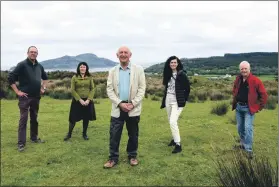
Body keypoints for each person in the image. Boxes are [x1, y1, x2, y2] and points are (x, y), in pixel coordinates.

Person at [103, 46, 146, 168]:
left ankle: (132, 156)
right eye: (120, 52)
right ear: (117, 55)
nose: (123, 54)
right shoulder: (112, 71)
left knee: (133, 134)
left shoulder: (139, 69)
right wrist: (120, 103)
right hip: (118, 107)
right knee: (114, 135)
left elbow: (142, 89)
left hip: (133, 108)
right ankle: (113, 158)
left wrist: (133, 103)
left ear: (130, 55)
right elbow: (110, 90)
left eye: (125, 52)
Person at [8, 46, 48, 152]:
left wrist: (43, 88)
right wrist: (17, 92)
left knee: (34, 118)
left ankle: (34, 138)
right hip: (25, 97)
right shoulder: (22, 65)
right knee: (23, 119)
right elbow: (10, 77)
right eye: (31, 52)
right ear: (27, 53)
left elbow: (45, 78)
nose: (33, 53)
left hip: (36, 97)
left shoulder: (40, 66)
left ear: (37, 54)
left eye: (35, 52)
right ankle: (21, 143)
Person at [232, 61, 268, 159]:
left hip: (249, 109)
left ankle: (248, 150)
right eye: (242, 69)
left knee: (248, 128)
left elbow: (264, 95)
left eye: (245, 69)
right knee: (240, 128)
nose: (243, 70)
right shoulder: (238, 79)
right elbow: (234, 89)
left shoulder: (256, 80)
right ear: (240, 70)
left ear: (249, 69)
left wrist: (259, 107)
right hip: (239, 107)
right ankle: (243, 144)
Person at [160, 56, 191, 153]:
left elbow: (188, 88)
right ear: (169, 64)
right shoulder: (167, 74)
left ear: (178, 64)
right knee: (171, 120)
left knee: (173, 121)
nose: (173, 64)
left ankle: (178, 144)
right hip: (168, 100)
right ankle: (174, 139)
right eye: (171, 62)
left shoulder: (182, 74)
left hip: (177, 102)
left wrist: (183, 100)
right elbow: (167, 87)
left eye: (175, 62)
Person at [64, 62, 96, 141]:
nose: (82, 68)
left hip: (87, 101)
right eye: (81, 67)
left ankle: (84, 134)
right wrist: (80, 100)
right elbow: (72, 90)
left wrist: (88, 99)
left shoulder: (90, 77)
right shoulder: (74, 77)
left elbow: (93, 89)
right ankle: (69, 134)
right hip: (77, 101)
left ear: (86, 68)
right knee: (73, 118)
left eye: (84, 67)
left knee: (86, 118)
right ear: (78, 68)